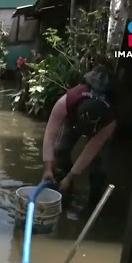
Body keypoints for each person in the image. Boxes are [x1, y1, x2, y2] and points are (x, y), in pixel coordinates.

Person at [42, 64, 117, 211]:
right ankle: (63, 190)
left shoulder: (110, 120)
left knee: (99, 168)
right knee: (61, 150)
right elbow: (50, 135)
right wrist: (48, 168)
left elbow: (90, 150)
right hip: (73, 122)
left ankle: (93, 205)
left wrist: (72, 176)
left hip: (101, 127)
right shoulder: (66, 102)